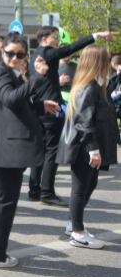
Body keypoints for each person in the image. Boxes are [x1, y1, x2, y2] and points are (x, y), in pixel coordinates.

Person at [0, 33, 56, 268]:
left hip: (3, 147)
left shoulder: (12, 73)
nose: (14, 58)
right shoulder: (0, 72)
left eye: (19, 54)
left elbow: (15, 104)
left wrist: (40, 105)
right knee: (5, 202)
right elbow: (10, 99)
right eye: (9, 54)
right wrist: (36, 78)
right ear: (2, 52)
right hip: (4, 149)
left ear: (26, 55)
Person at [28, 26, 115, 206]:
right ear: (44, 39)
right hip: (51, 109)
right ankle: (46, 192)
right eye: (54, 37)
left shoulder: (34, 55)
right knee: (52, 151)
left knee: (41, 150)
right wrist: (96, 35)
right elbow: (70, 49)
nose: (58, 41)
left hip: (40, 108)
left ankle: (35, 190)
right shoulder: (47, 52)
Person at [57, 45, 120, 249]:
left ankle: (73, 224)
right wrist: (93, 149)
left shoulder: (96, 85)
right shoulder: (88, 87)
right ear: (98, 62)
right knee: (80, 187)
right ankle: (77, 233)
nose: (109, 63)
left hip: (90, 146)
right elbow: (84, 122)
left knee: (89, 185)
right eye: (106, 59)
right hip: (84, 147)